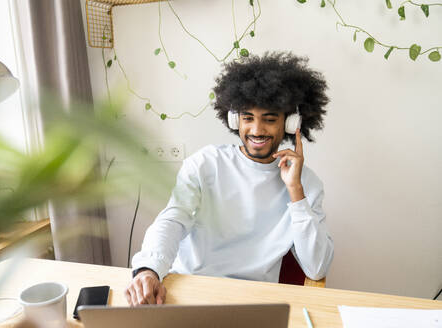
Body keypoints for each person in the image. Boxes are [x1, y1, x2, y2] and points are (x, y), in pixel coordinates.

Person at [124, 51, 334, 306]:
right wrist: (148, 269)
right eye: (248, 118)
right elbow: (173, 219)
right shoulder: (205, 164)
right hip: (191, 290)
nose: (257, 130)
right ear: (235, 119)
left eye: (269, 119)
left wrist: (295, 191)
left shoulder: (306, 184)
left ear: (290, 124)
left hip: (254, 302)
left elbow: (317, 268)